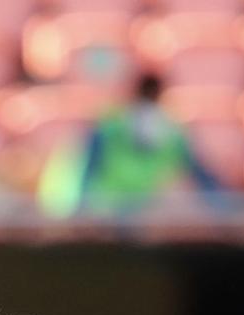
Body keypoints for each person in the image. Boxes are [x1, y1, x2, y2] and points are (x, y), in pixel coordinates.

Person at [58, 72, 222, 216]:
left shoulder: (174, 135)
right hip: (103, 213)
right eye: (144, 99)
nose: (147, 108)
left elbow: (203, 179)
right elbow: (83, 177)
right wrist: (78, 215)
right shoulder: (107, 128)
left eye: (152, 100)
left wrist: (226, 213)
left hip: (140, 213)